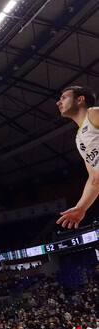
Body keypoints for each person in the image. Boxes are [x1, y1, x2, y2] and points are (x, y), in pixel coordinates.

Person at [56, 86, 99, 228]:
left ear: (80, 100)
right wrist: (81, 207)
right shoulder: (79, 139)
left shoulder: (93, 114)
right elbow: (93, 179)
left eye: (64, 98)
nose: (58, 103)